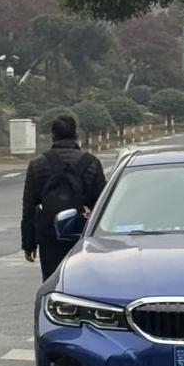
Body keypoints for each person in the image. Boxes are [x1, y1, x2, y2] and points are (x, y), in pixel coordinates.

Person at [21, 113, 107, 279]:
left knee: (53, 281)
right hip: (82, 235)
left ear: (52, 136)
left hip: (50, 236)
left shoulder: (37, 165)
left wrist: (28, 244)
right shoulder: (92, 164)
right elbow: (102, 205)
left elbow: (29, 208)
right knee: (81, 282)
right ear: (76, 135)